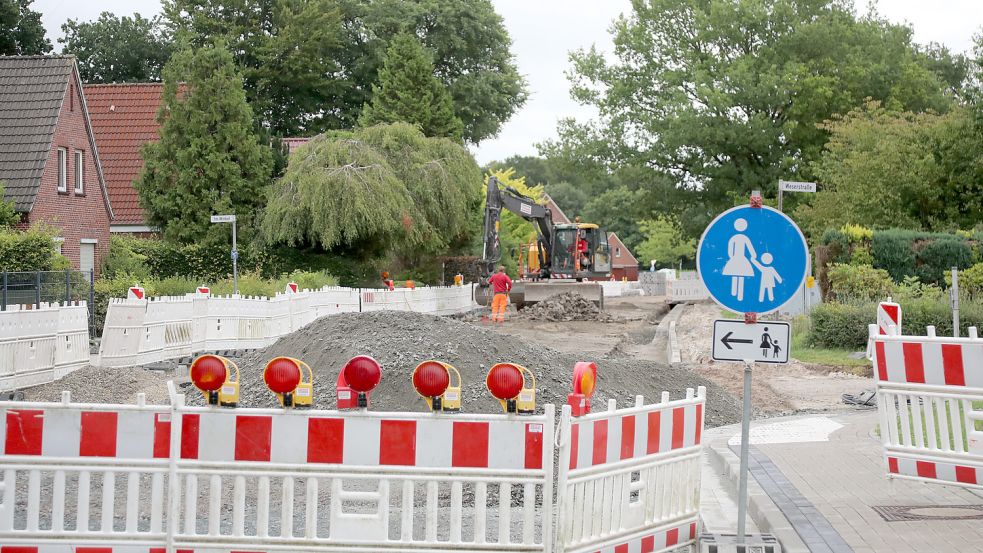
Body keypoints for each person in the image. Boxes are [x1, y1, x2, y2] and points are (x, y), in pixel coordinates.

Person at [723, 218, 756, 301]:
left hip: (735, 258)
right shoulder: (744, 238)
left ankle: (735, 293)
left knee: (736, 274)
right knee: (741, 275)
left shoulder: (734, 238)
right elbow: (750, 248)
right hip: (741, 259)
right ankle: (739, 295)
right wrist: (753, 255)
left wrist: (731, 257)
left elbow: (730, 249)